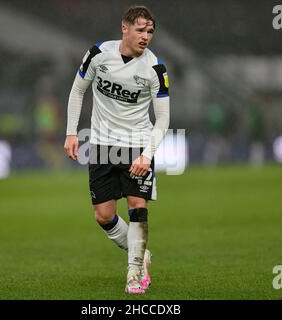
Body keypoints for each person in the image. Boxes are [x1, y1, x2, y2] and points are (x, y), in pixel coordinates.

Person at [64, 5, 170, 294]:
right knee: (103, 215)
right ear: (124, 28)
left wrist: (146, 155)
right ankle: (139, 252)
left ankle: (135, 273)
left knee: (137, 207)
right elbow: (77, 90)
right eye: (140, 29)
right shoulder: (98, 54)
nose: (146, 36)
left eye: (150, 31)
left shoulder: (155, 69)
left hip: (137, 144)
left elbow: (162, 118)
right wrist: (71, 132)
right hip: (100, 144)